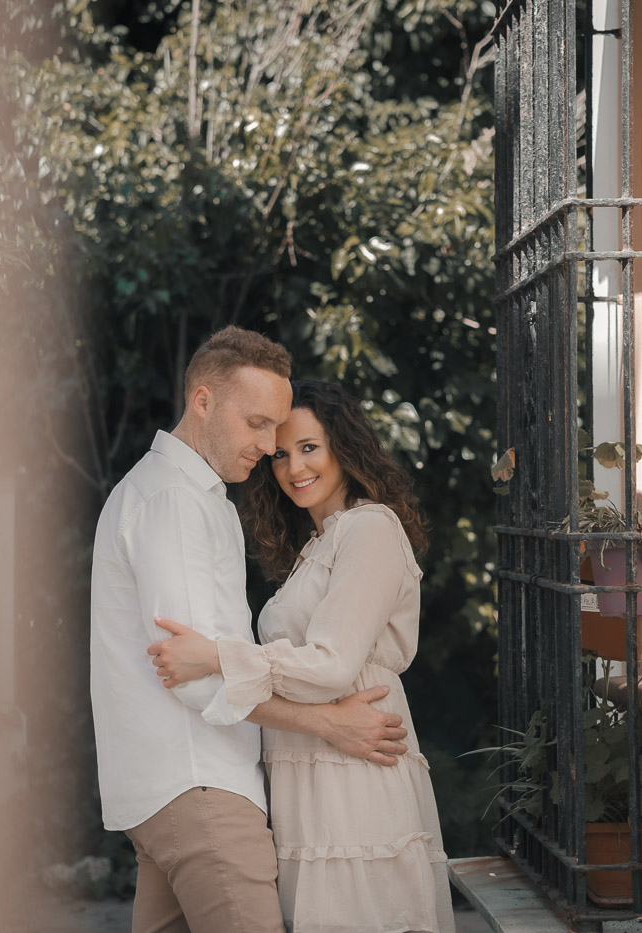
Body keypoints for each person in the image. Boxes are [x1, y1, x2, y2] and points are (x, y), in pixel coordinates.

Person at [91, 330, 412, 933]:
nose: (270, 448)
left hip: (178, 790)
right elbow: (191, 675)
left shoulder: (188, 496)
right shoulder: (174, 502)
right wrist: (327, 723)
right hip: (201, 786)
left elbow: (208, 660)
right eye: (258, 424)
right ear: (204, 401)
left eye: (281, 431)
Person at [148, 379, 456, 933]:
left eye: (309, 447)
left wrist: (218, 657)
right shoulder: (316, 547)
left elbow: (333, 666)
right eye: (282, 455)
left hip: (355, 769)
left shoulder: (370, 527)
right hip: (308, 770)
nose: (293, 469)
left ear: (343, 446)